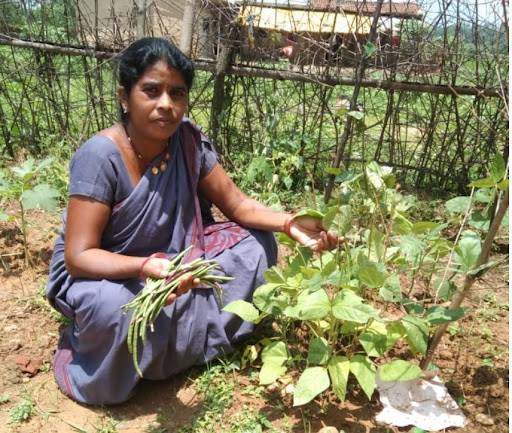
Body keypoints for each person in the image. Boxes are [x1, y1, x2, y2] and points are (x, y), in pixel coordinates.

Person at [46, 37, 337, 405]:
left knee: (258, 245)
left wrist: (288, 223)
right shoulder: (100, 156)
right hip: (108, 271)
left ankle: (182, 343)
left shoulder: (187, 142)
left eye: (177, 93)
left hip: (177, 260)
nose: (166, 104)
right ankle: (120, 360)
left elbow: (237, 203)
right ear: (124, 96)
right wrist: (144, 267)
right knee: (113, 308)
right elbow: (79, 256)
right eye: (151, 91)